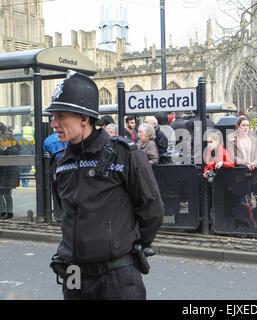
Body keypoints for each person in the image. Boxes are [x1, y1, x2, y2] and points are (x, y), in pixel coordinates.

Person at [44, 70, 164, 300]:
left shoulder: (124, 155)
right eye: (53, 116)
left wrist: (133, 245)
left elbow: (152, 209)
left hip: (117, 274)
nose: (54, 123)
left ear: (84, 118)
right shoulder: (60, 161)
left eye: (60, 116)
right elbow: (64, 213)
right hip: (73, 272)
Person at [0, 132, 20, 220]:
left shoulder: (14, 149)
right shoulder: (2, 149)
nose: (4, 143)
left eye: (5, 141)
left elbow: (12, 153)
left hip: (9, 175)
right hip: (2, 174)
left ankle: (9, 212)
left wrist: (5, 149)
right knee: (1, 193)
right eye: (2, 141)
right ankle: (2, 211)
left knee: (7, 193)